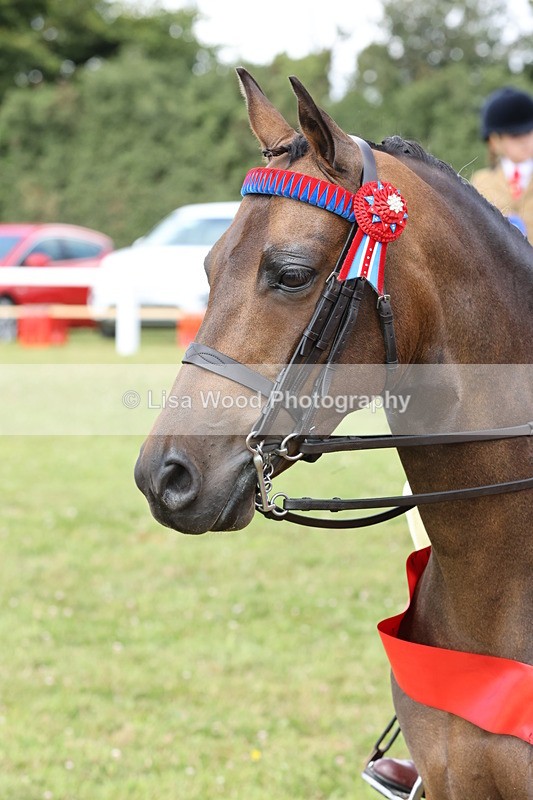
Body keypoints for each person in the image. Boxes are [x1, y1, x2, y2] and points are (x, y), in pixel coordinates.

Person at [470, 86, 533, 240]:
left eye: (529, 132)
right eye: (515, 135)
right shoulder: (480, 182)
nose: (525, 141)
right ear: (494, 141)